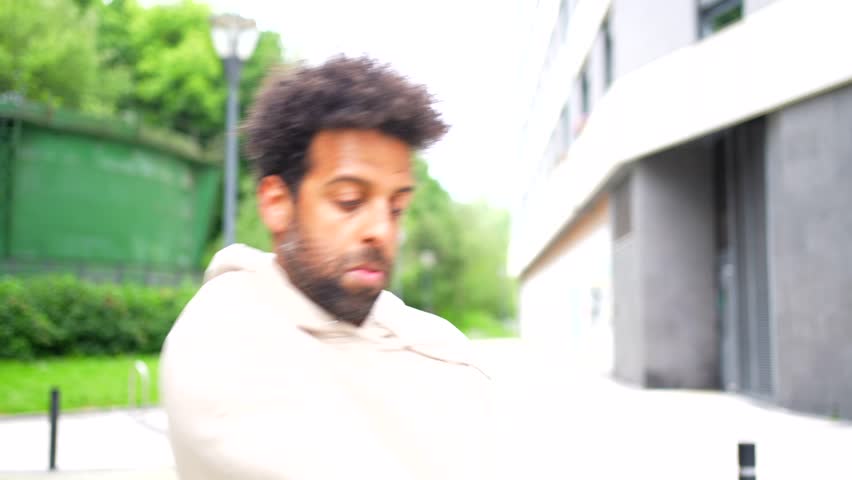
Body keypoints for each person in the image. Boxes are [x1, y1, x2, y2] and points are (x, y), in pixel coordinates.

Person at [159, 56, 495, 480]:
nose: (382, 230)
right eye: (350, 201)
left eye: (397, 207)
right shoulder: (220, 344)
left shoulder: (440, 346)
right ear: (278, 204)